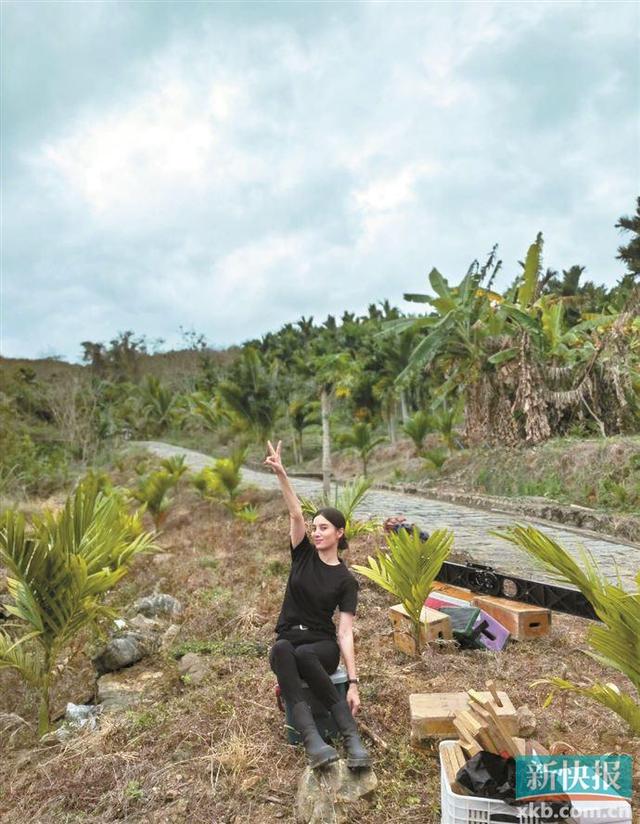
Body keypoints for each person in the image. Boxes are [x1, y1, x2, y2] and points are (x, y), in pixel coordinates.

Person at [264, 440, 371, 770]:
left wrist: (353, 683)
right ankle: (313, 740)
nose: (316, 531)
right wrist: (282, 474)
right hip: (289, 638)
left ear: (340, 532)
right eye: (315, 527)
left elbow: (345, 634)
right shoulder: (302, 553)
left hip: (321, 644)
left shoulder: (345, 580)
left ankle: (351, 739)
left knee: (306, 655)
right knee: (281, 650)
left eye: (324, 527)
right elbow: (295, 512)